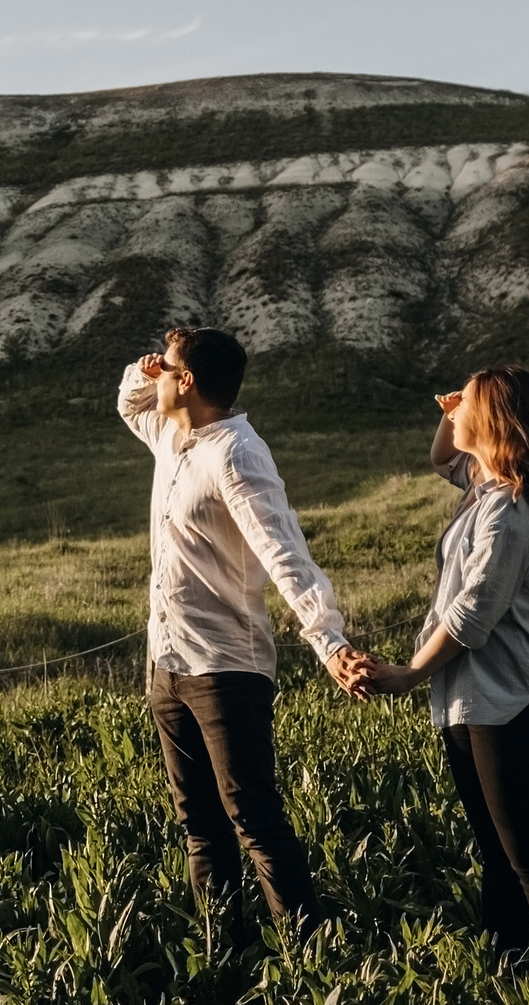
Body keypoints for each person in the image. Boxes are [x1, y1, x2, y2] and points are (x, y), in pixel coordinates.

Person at [118, 327, 370, 950]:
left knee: (254, 820)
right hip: (167, 663)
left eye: (167, 370)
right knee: (198, 825)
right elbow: (127, 402)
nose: (157, 380)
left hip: (226, 668)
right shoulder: (171, 438)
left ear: (191, 382)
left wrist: (328, 641)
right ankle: (223, 956)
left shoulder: (237, 453)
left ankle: (308, 959)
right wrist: (144, 368)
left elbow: (284, 551)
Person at [363, 365, 529, 987]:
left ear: (492, 421)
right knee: (500, 855)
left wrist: (407, 674)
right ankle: (514, 980)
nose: (452, 409)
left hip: (515, 701)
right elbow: (443, 459)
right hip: (474, 701)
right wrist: (452, 415)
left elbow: (472, 613)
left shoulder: (510, 512)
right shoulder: (485, 489)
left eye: (464, 402)